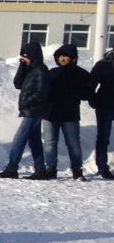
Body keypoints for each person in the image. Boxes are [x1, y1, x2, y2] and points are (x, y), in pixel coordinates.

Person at [0, 41, 49, 179]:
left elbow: (43, 92)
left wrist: (27, 103)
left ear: (33, 56)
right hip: (30, 110)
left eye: (26, 56)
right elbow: (17, 84)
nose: (24, 59)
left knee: (19, 138)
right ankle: (40, 170)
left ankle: (12, 169)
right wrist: (22, 66)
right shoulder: (30, 69)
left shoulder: (41, 69)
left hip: (34, 110)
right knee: (34, 141)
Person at [42, 43, 92, 181]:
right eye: (60, 56)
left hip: (70, 114)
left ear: (73, 58)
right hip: (50, 113)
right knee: (50, 143)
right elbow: (42, 90)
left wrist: (75, 93)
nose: (62, 59)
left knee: (73, 144)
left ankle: (77, 170)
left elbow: (88, 93)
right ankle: (50, 170)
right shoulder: (52, 72)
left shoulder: (82, 74)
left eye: (66, 56)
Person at [90, 47, 114, 180]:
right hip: (105, 105)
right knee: (103, 137)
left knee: (103, 137)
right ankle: (102, 167)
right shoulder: (103, 64)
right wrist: (94, 101)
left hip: (105, 104)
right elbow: (91, 84)